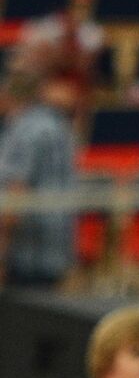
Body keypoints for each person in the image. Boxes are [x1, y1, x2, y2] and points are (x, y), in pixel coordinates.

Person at [0, 69, 78, 289]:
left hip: (27, 252)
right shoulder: (58, 125)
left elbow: (16, 192)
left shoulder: (23, 130)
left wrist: (2, 252)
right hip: (57, 247)